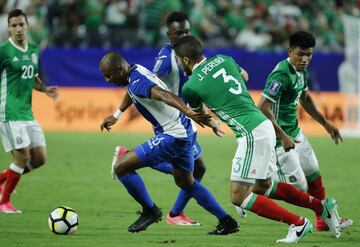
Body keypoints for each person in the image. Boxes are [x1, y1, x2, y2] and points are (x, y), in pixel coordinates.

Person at [174, 35, 341, 243]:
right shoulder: (224, 58)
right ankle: (322, 207)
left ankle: (298, 223)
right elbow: (244, 76)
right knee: (263, 186)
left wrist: (212, 121)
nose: (180, 64)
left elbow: (201, 115)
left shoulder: (190, 87)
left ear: (186, 61)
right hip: (264, 124)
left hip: (250, 133)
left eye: (179, 60)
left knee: (238, 196)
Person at [99, 51, 239, 235]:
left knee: (121, 167)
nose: (107, 80)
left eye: (108, 75)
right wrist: (117, 115)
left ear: (119, 69)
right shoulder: (136, 70)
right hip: (184, 131)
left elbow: (164, 94)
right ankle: (227, 221)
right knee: (186, 182)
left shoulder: (137, 82)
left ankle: (150, 211)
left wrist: (187, 111)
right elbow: (132, 93)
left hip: (172, 136)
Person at [105, 11, 209, 226]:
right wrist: (119, 113)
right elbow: (145, 88)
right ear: (169, 34)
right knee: (192, 171)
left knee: (195, 170)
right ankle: (175, 214)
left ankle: (175, 213)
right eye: (179, 32)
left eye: (187, 31)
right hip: (173, 122)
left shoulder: (188, 53)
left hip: (185, 119)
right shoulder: (166, 58)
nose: (183, 35)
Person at [258, 31, 353, 231]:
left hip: (296, 134)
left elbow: (305, 98)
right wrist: (282, 135)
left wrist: (326, 124)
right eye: (300, 54)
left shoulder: (301, 72)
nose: (305, 59)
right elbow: (262, 107)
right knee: (299, 188)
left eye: (309, 54)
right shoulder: (281, 74)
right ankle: (256, 187)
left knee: (314, 174)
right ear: (290, 51)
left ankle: (323, 220)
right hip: (280, 139)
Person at [0, 9, 59, 213]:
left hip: (27, 113)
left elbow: (32, 77)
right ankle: (4, 202)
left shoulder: (33, 50)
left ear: (27, 26)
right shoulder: (4, 51)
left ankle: (2, 180)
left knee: (40, 159)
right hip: (8, 112)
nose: (18, 29)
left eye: (21, 24)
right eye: (14, 25)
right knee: (22, 157)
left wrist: (45, 89)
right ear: (8, 28)